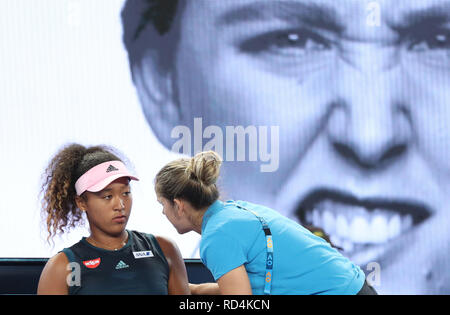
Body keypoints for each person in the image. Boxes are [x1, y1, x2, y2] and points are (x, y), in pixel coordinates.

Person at [121, 0, 450, 294]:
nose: (370, 137)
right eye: (292, 41)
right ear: (161, 84)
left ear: (179, 204)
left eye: (440, 41)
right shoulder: (236, 215)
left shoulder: (218, 235)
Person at [154, 150, 377, 295]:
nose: (163, 213)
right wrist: (193, 291)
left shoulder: (216, 237)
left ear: (179, 205)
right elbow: (239, 288)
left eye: (162, 204)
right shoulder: (232, 213)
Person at [37, 143, 190, 295]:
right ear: (81, 202)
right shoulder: (62, 267)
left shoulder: (164, 249)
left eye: (126, 193)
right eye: (107, 196)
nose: (120, 205)